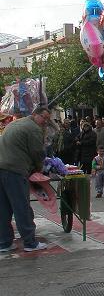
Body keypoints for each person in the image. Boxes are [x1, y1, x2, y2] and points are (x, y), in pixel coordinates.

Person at [0, 106, 51, 253]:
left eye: (48, 119)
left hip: (2, 167)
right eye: (44, 118)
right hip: (15, 170)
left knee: (3, 208)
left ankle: (4, 243)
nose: (45, 122)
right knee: (21, 207)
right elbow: (37, 153)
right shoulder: (33, 128)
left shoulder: (16, 123)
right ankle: (30, 243)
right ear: (35, 115)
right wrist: (39, 169)